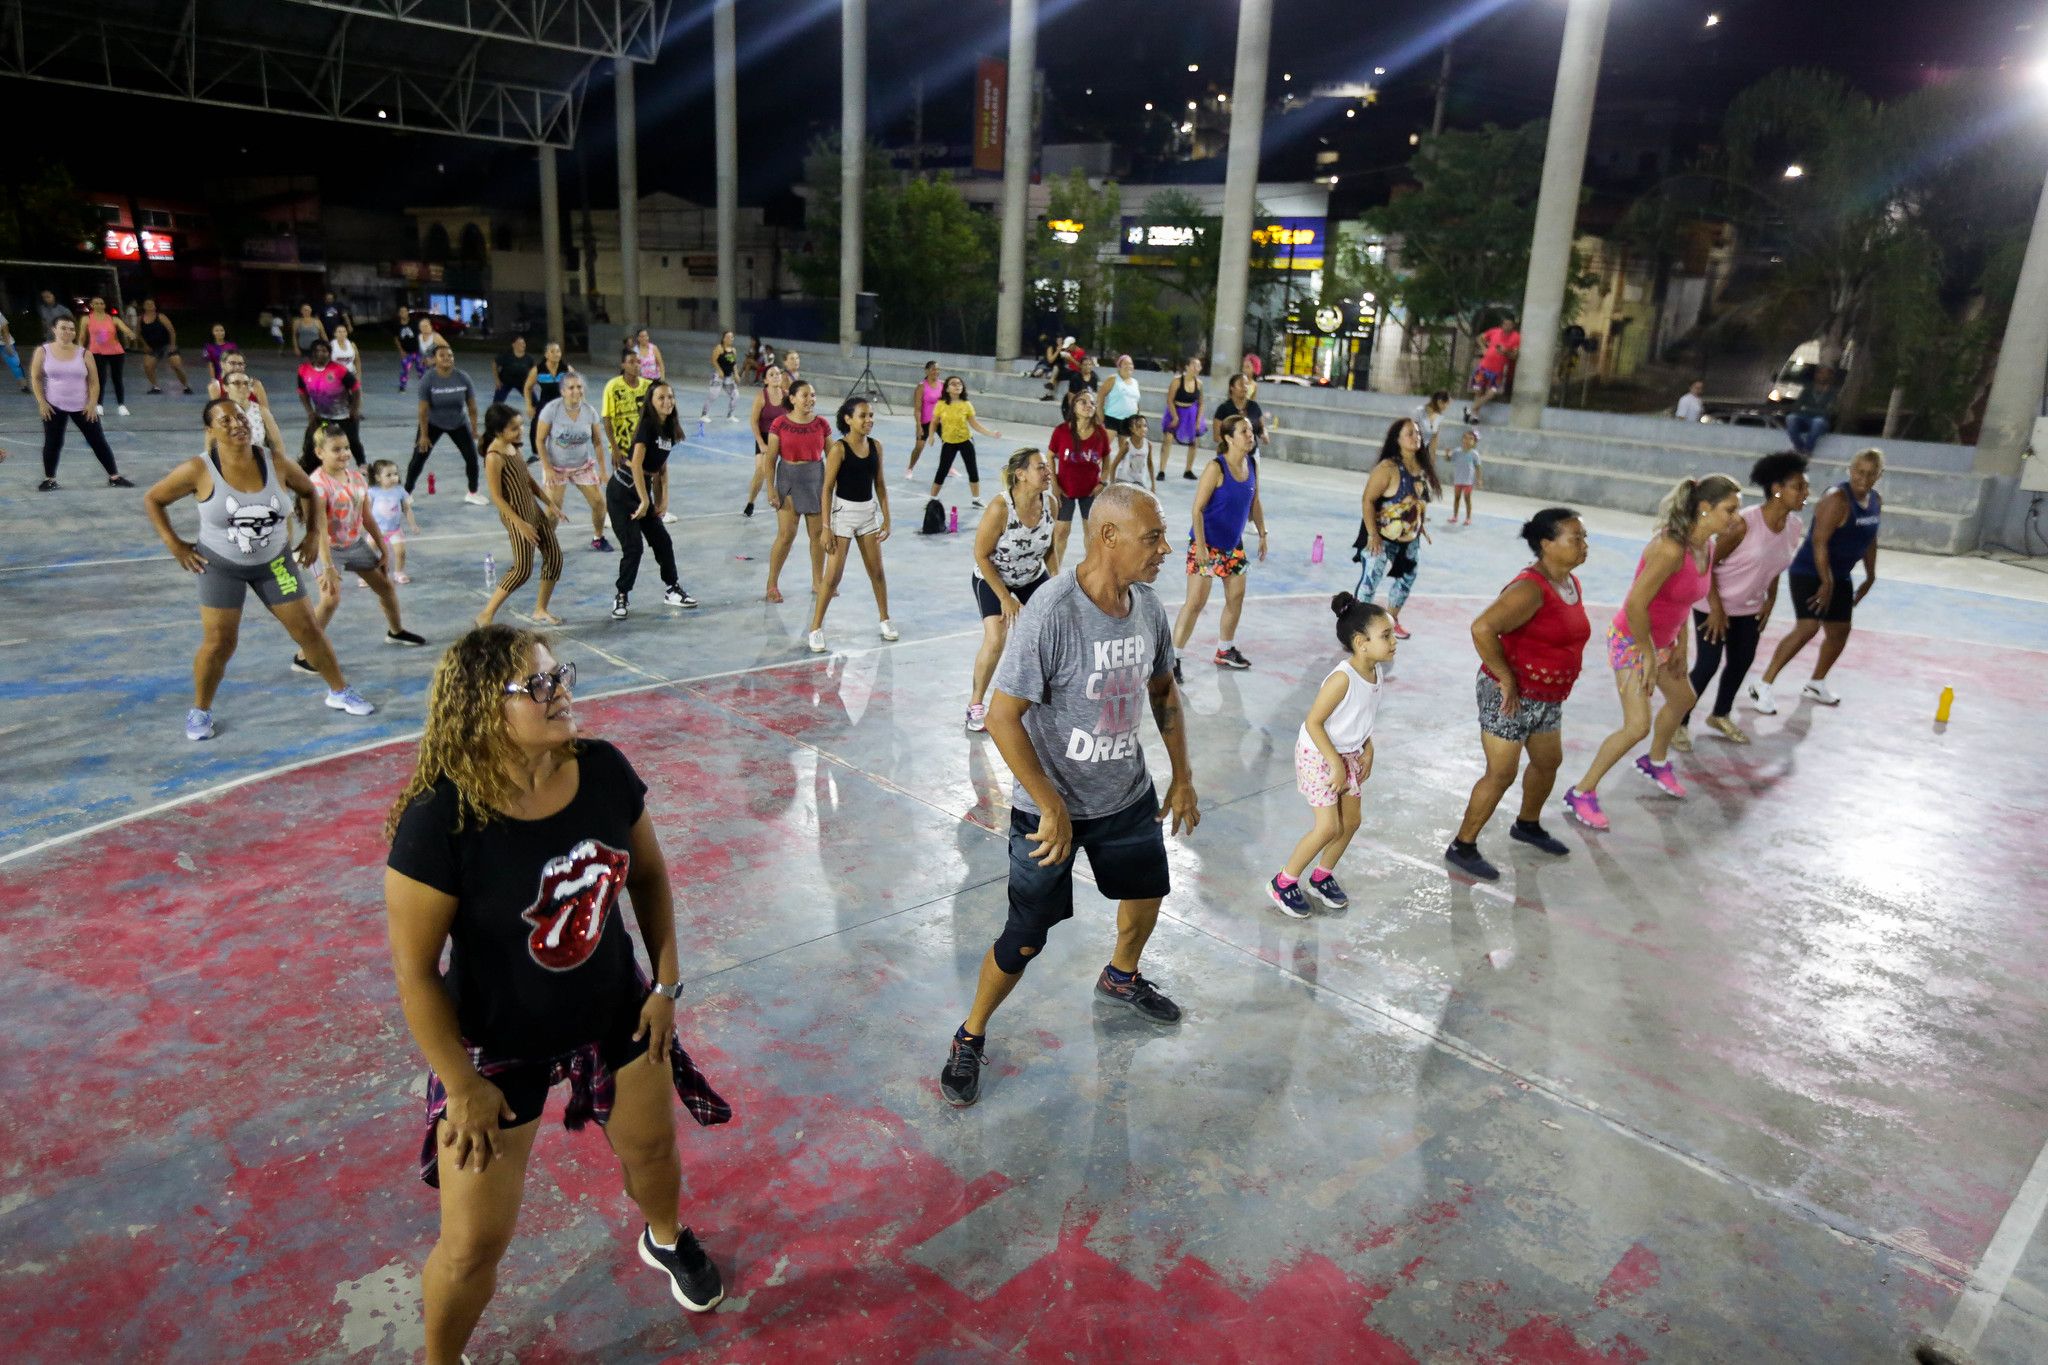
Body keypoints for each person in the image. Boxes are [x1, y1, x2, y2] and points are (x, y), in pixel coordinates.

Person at [383, 629, 731, 1365]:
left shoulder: (602, 769)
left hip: (615, 1008)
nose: (562, 691)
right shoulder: (440, 819)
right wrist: (461, 1080)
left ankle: (663, 1238)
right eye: (539, 685)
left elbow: (650, 876)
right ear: (484, 707)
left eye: (559, 675)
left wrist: (665, 984)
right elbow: (416, 973)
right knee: (474, 1244)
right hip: (495, 1042)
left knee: (654, 1150)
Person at [938, 483, 1200, 1108]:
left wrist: (1182, 775)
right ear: (1108, 536)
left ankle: (1121, 976)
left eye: (1163, 536)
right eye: (1152, 537)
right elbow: (1003, 715)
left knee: (1146, 896)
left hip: (1125, 795)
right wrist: (1050, 803)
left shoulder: (1148, 608)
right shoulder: (1052, 612)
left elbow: (1163, 692)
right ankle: (970, 1034)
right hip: (1049, 810)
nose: (1165, 549)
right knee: (1024, 937)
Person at [143, 399, 375, 740]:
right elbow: (153, 499)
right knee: (220, 642)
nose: (237, 423)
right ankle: (200, 711)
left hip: (274, 563)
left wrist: (312, 535)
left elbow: (310, 491)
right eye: (226, 420)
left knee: (308, 630)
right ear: (210, 430)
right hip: (221, 567)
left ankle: (339, 691)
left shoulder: (274, 461)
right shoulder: (199, 469)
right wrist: (175, 545)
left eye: (240, 416)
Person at [1561, 474, 1742, 830]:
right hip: (1632, 639)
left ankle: (1654, 762)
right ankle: (1581, 792)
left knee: (1682, 699)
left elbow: (1686, 602)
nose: (1736, 518)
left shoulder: (1705, 548)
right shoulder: (1670, 549)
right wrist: (1646, 652)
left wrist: (1679, 647)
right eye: (1730, 510)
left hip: (1662, 643)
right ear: (1704, 508)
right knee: (1636, 726)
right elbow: (1636, 605)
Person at [1443, 508, 1591, 881]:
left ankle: (1527, 824)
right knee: (1501, 773)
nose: (1584, 545)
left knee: (1547, 761)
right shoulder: (1529, 588)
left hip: (1547, 697)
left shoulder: (1569, 582)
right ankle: (1463, 845)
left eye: (1584, 537)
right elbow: (1482, 628)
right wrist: (1505, 677)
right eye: (1576, 538)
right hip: (1509, 694)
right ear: (1546, 545)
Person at [1268, 595, 1397, 916]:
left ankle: (1322, 876)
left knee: (1351, 821)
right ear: (1361, 642)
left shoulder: (1375, 673)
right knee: (1327, 827)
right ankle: (1283, 882)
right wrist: (1335, 765)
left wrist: (1368, 748)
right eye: (1386, 635)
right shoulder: (1342, 678)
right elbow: (1314, 722)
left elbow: (1362, 719)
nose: (1394, 641)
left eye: (1392, 634)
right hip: (1319, 755)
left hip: (1348, 754)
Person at [1676, 452, 1810, 748]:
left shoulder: (1794, 526)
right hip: (1713, 605)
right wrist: (1716, 609)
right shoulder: (1743, 524)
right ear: (1777, 489)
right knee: (1708, 664)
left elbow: (1776, 564)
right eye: (1798, 487)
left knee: (1741, 661)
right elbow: (1707, 563)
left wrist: (1770, 600)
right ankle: (1677, 722)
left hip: (1748, 609)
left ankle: (1720, 714)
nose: (1805, 493)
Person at [1750, 447, 1883, 712]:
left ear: (1880, 474)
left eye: (1871, 474)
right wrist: (1826, 582)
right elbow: (1820, 543)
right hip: (1811, 572)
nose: (1863, 478)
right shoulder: (1836, 499)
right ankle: (1763, 684)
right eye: (1859, 472)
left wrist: (1870, 575)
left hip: (1839, 576)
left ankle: (1816, 682)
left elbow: (1870, 539)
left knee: (1839, 632)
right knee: (1808, 627)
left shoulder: (1876, 500)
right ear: (1850, 470)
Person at [304, 423, 426, 655]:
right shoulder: (318, 485)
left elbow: (367, 516)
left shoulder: (357, 479)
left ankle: (396, 631)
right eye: (336, 449)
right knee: (330, 600)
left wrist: (383, 547)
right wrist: (327, 566)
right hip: (327, 549)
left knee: (386, 588)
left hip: (354, 544)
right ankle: (305, 654)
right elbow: (319, 528)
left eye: (346, 448)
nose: (344, 454)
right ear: (320, 453)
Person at [966, 447, 1062, 733]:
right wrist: (1005, 598)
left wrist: (1056, 585)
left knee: (1052, 631)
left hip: (1032, 575)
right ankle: (975, 705)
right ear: (1020, 475)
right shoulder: (1001, 507)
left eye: (1046, 466)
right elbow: (981, 555)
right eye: (1039, 467)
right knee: (996, 637)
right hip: (993, 576)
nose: (1047, 472)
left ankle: (1043, 697)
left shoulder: (1051, 503)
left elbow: (1050, 549)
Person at [1170, 413, 1267, 674]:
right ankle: (1173, 659)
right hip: (1205, 544)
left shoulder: (1252, 465)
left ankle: (1225, 650)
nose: (1250, 435)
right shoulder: (1217, 468)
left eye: (1250, 431)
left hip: (1233, 546)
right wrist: (1200, 548)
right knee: (1195, 602)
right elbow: (1197, 510)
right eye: (1244, 432)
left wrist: (1262, 533)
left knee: (1236, 598)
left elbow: (1254, 501)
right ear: (1228, 438)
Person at [804, 397, 896, 653]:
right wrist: (825, 526)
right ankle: (815, 628)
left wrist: (887, 518)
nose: (869, 420)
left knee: (877, 572)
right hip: (842, 515)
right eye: (863, 416)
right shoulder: (839, 449)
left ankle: (885, 619)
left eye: (871, 416)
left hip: (868, 514)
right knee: (832, 577)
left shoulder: (877, 446)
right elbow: (826, 489)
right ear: (848, 419)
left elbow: (880, 485)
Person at [608, 380, 697, 619]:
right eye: (661, 398)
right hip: (622, 490)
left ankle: (672, 589)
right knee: (633, 547)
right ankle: (622, 595)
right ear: (651, 402)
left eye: (670, 397)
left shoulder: (669, 427)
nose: (667, 401)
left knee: (662, 540)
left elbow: (661, 468)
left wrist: (663, 500)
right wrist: (644, 501)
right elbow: (636, 464)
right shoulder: (647, 426)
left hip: (642, 488)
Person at [477, 403, 564, 627]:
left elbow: (527, 480)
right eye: (514, 428)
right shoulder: (494, 456)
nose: (520, 431)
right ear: (498, 432)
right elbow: (497, 497)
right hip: (516, 516)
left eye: (520, 426)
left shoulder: (514, 447)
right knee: (522, 569)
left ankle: (541, 609)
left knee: (554, 558)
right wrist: (521, 524)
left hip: (533, 510)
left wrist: (549, 503)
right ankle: (486, 614)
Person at [1353, 418, 1438, 640]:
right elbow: (1367, 500)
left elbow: (1419, 501)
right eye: (1410, 433)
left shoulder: (1422, 468)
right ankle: (1357, 628)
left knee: (1407, 577)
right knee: (1371, 579)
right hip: (1382, 536)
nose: (1416, 436)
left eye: (1418, 433)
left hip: (1409, 539)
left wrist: (1420, 524)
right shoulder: (1388, 468)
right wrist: (1372, 534)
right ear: (1397, 440)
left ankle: (1391, 621)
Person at [29, 316, 130, 491]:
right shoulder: (43, 351)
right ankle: (49, 479)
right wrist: (42, 402)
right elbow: (36, 378)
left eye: (71, 329)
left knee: (98, 440)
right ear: (54, 330)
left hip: (82, 406)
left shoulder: (84, 353)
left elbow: (94, 382)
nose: (68, 332)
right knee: (53, 442)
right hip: (54, 405)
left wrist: (92, 404)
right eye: (63, 328)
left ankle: (114, 476)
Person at [762, 380, 831, 604]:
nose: (810, 399)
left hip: (815, 481)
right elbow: (770, 459)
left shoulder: (821, 423)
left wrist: (832, 487)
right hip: (788, 480)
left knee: (817, 536)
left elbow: (833, 456)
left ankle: (818, 582)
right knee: (786, 535)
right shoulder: (780, 423)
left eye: (813, 394)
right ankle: (772, 584)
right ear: (792, 398)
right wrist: (771, 489)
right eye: (805, 395)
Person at [536, 372, 614, 553]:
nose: (576, 391)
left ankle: (598, 538)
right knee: (554, 507)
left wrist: (602, 470)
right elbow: (540, 440)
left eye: (579, 387)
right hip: (556, 466)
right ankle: (547, 543)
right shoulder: (551, 410)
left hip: (582, 466)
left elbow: (596, 441)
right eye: (571, 387)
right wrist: (547, 468)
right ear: (563, 391)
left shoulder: (589, 411)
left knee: (599, 503)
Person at [410, 343, 486, 504]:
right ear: (434, 360)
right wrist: (423, 435)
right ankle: (406, 493)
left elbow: (472, 406)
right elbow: (423, 410)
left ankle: (473, 492)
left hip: (458, 422)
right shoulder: (428, 379)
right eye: (442, 356)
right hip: (433, 423)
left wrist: (473, 429)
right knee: (419, 457)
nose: (447, 358)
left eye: (450, 355)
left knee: (472, 458)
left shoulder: (462, 377)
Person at [1049, 387, 1111, 568]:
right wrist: (1055, 485)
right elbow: (1050, 456)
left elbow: (1107, 458)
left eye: (1092, 402)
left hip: (1090, 491)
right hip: (1065, 490)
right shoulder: (1061, 431)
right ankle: (1054, 573)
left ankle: (1089, 570)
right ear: (1073, 405)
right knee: (1061, 532)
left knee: (1091, 532)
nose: (1088, 405)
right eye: (1082, 401)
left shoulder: (1100, 433)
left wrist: (1103, 481)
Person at [925, 375, 1002, 509]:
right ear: (947, 388)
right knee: (942, 470)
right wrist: (931, 436)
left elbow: (974, 424)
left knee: (972, 469)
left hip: (965, 441)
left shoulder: (966, 405)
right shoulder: (941, 404)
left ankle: (976, 499)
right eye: (953, 384)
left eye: (959, 384)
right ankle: (932, 498)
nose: (957, 386)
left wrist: (991, 433)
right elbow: (934, 422)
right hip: (948, 442)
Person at [296, 339, 364, 468]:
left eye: (324, 351)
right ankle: (309, 469)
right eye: (317, 350)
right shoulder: (303, 370)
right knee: (312, 440)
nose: (320, 353)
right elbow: (302, 392)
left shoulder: (339, 370)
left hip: (344, 416)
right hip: (323, 417)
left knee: (353, 441)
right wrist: (310, 411)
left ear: (329, 353)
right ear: (312, 353)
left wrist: (354, 409)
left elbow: (356, 389)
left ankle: (363, 466)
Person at [743, 363, 790, 517]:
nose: (776, 376)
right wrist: (761, 443)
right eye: (772, 375)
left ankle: (785, 500)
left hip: (782, 437)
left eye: (778, 374)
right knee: (762, 470)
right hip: (764, 436)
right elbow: (754, 421)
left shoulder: (787, 396)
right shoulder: (761, 397)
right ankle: (751, 502)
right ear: (765, 380)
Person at [216, 363, 289, 456]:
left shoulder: (261, 411)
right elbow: (210, 447)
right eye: (236, 383)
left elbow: (277, 444)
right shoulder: (218, 412)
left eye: (246, 383)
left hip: (259, 464)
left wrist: (279, 466)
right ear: (225, 387)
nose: (243, 387)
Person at [367, 458, 421, 583]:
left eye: (395, 474)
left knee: (400, 552)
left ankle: (399, 572)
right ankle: (366, 575)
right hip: (376, 531)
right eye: (389, 475)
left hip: (395, 530)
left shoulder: (400, 491)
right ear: (378, 477)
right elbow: (366, 511)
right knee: (369, 555)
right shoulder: (372, 492)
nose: (394, 477)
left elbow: (407, 509)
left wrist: (413, 525)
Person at [602, 348, 651, 485]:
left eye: (638, 362)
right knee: (622, 486)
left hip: (643, 446)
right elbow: (607, 420)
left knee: (644, 484)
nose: (636, 365)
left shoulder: (648, 386)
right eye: (631, 362)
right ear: (623, 365)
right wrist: (615, 449)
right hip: (622, 448)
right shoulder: (613, 387)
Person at [82, 296, 135, 416]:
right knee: (100, 378)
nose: (99, 305)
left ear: (104, 305)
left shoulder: (113, 319)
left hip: (116, 352)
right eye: (96, 303)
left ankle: (121, 405)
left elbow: (124, 328)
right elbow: (82, 336)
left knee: (117, 379)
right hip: (96, 352)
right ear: (92, 305)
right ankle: (99, 405)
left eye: (101, 303)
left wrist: (130, 333)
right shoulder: (87, 319)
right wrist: (80, 350)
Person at [1466, 314, 1519, 423]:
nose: (1507, 326)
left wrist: (1506, 351)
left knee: (1491, 393)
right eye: (1505, 324)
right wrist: (1483, 348)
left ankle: (1470, 410)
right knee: (1478, 391)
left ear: (1513, 325)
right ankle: (1475, 416)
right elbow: (1480, 338)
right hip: (1484, 367)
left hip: (1497, 371)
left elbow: (1515, 355)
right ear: (1502, 324)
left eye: (1509, 324)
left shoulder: (1516, 337)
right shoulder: (1495, 331)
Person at [1097, 354, 1144, 477]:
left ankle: (1121, 477)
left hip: (1128, 422)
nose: (1129, 366)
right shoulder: (1113, 379)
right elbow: (1101, 395)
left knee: (1124, 452)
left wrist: (1137, 421)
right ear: (1119, 366)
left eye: (1131, 364)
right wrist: (1100, 413)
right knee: (1103, 449)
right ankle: (1095, 473)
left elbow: (1136, 402)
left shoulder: (1135, 382)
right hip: (1112, 419)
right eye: (1125, 363)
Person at [136, 299, 194, 395]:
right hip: (152, 347)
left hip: (166, 344)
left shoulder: (161, 317)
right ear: (144, 306)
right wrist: (144, 345)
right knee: (147, 366)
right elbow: (138, 334)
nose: (150, 305)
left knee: (176, 365)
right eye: (147, 304)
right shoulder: (140, 319)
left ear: (155, 306)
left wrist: (172, 345)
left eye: (152, 304)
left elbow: (171, 331)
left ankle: (186, 386)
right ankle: (156, 387)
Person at [1164, 358, 1205, 480]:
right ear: (1187, 367)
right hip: (1176, 410)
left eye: (1198, 366)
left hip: (1191, 413)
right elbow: (1169, 400)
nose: (1196, 368)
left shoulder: (1199, 384)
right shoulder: (1177, 381)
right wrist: (1175, 417)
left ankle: (1188, 470)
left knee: (1194, 442)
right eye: (1193, 365)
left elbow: (1201, 403)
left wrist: (1198, 420)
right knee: (1168, 439)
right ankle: (1162, 470)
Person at [1210, 373, 1267, 461]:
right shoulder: (1223, 409)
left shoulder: (1254, 406)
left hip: (1252, 455)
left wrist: (1264, 434)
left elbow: (1261, 427)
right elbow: (1216, 436)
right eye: (1241, 384)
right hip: (1230, 456)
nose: (1245, 387)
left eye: (1246, 384)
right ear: (1231, 388)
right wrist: (1237, 445)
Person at [1784, 366, 1839, 454]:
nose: (1822, 376)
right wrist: (1817, 410)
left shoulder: (1833, 392)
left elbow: (1828, 412)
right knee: (1791, 418)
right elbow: (1797, 407)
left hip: (1821, 423)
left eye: (1825, 373)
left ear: (1830, 376)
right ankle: (1799, 447)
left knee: (1818, 421)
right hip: (1804, 419)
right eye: (1819, 373)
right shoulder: (1808, 390)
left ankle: (1807, 449)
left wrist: (1806, 408)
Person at [904, 360, 944, 479]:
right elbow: (917, 409)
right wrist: (918, 425)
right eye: (932, 369)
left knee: (949, 445)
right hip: (925, 422)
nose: (935, 371)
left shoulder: (943, 385)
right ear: (926, 371)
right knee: (919, 447)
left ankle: (947, 466)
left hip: (940, 421)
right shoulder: (921, 387)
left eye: (937, 369)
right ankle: (910, 467)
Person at [697, 330, 739, 432]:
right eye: (728, 337)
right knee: (713, 395)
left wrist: (736, 374)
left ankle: (730, 415)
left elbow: (734, 363)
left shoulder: (733, 350)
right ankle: (704, 414)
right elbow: (713, 360)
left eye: (732, 337)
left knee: (735, 395)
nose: (730, 339)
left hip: (729, 378)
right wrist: (719, 370)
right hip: (718, 377)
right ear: (724, 338)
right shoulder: (719, 348)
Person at [1107, 412, 1155, 492]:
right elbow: (1114, 465)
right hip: (1124, 481)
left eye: (1145, 426)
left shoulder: (1148, 445)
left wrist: (1153, 485)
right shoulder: (1127, 445)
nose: (1143, 429)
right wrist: (1112, 483)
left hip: (1140, 482)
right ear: (1131, 429)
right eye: (1138, 426)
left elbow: (1150, 464)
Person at [524, 341, 571, 421]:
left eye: (558, 351)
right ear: (546, 355)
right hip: (544, 406)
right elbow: (527, 388)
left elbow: (578, 387)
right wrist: (529, 406)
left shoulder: (567, 370)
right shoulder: (538, 370)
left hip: (563, 407)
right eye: (552, 352)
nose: (556, 354)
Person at [1445, 429, 1482, 525]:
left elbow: (1478, 467)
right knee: (1456, 498)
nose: (1467, 440)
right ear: (1462, 439)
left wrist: (1479, 479)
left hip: (1468, 482)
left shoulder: (1474, 454)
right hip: (1458, 480)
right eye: (1465, 438)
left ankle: (1468, 518)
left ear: (1474, 442)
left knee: (1467, 499)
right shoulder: (1457, 451)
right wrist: (1447, 454)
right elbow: (1448, 459)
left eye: (1471, 439)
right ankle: (1455, 516)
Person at [492, 335, 537, 406]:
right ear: (513, 345)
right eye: (520, 343)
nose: (523, 345)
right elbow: (495, 364)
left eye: (523, 343)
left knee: (534, 402)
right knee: (496, 404)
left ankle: (537, 415)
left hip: (522, 382)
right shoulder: (506, 356)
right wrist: (497, 380)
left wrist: (532, 382)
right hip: (505, 382)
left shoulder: (529, 358)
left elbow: (534, 371)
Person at [394, 305, 427, 391]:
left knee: (421, 369)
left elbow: (421, 335)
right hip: (406, 352)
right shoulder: (397, 325)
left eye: (405, 311)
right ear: (399, 314)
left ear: (407, 313)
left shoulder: (414, 323)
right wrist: (401, 350)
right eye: (401, 312)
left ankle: (424, 386)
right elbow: (396, 339)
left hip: (417, 351)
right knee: (405, 369)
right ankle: (402, 385)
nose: (403, 313)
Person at [1414, 390, 1451, 463]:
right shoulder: (1419, 411)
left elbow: (1434, 437)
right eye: (1447, 403)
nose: (1447, 407)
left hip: (1424, 449)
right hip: (1412, 447)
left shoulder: (1439, 417)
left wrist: (1433, 457)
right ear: (1440, 401)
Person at [0, 315, 24, 392]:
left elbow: (5, 329)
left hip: (4, 342)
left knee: (15, 364)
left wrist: (8, 345)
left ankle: (24, 386)